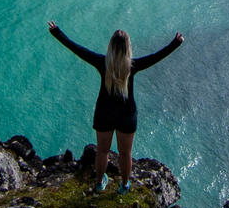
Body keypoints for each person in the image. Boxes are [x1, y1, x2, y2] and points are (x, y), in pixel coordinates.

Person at [47, 20, 184, 192]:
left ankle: (99, 184)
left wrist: (57, 32)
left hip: (104, 113)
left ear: (110, 46)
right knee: (125, 154)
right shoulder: (132, 66)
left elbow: (77, 49)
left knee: (102, 151)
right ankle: (125, 184)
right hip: (127, 115)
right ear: (128, 47)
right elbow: (156, 57)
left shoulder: (102, 62)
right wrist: (175, 43)